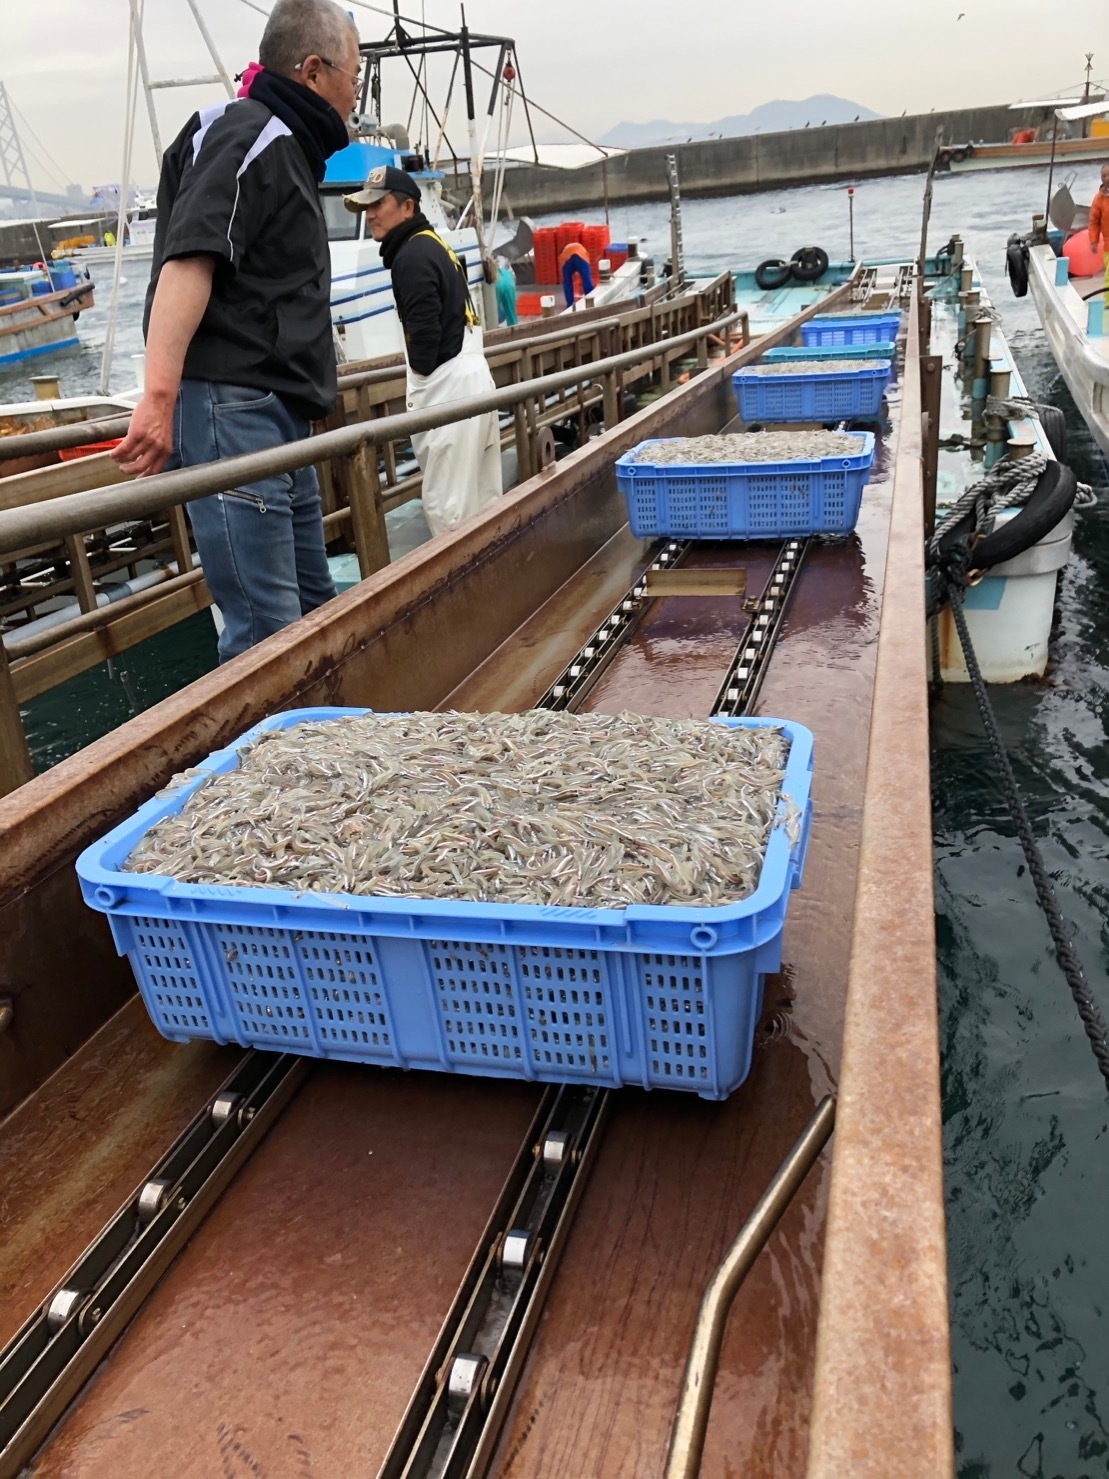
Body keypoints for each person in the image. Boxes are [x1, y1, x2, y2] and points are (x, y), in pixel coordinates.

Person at [111, 0, 360, 662]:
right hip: (235, 409)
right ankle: (271, 733)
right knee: (264, 628)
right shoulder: (249, 133)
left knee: (312, 608)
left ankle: (323, 725)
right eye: (354, 76)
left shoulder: (288, 146)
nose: (356, 94)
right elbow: (191, 258)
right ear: (313, 71)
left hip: (279, 413)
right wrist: (158, 398)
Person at [345, 165, 502, 536]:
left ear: (407, 208)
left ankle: (459, 576)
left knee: (449, 512)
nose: (370, 215)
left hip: (449, 392)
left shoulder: (411, 257)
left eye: (378, 204)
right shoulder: (433, 245)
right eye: (366, 207)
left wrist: (419, 374)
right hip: (473, 380)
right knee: (485, 504)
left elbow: (425, 340)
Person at [1088, 163, 1109, 307]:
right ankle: (1108, 302)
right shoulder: (1098, 199)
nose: (1107, 178)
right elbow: (1094, 221)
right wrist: (1093, 241)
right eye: (1104, 176)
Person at [559, 239, 593, 307]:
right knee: (586, 278)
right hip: (581, 255)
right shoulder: (583, 250)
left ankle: (570, 304)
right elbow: (587, 270)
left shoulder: (562, 255)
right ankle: (590, 298)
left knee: (567, 281)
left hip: (566, 258)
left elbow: (563, 272)